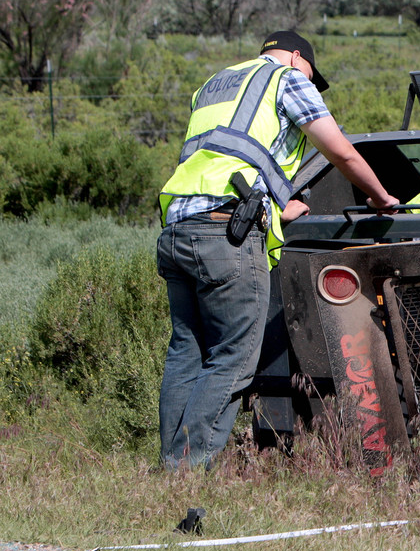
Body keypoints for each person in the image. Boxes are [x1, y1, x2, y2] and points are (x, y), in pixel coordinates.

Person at [156, 30, 398, 470]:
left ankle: (169, 465)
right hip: (226, 233)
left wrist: (275, 204)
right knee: (233, 356)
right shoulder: (285, 78)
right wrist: (381, 197)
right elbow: (340, 151)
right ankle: (185, 471)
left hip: (177, 225)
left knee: (186, 353)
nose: (311, 80)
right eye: (311, 72)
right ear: (296, 56)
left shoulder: (214, 84)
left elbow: (229, 155)